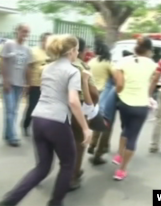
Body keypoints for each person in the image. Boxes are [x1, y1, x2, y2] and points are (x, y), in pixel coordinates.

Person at [0, 34, 92, 206]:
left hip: (39, 120)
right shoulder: (72, 71)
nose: (78, 53)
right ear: (71, 51)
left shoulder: (47, 68)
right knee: (68, 164)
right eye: (77, 49)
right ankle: (55, 203)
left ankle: (8, 202)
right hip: (56, 121)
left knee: (42, 168)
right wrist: (85, 128)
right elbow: (73, 101)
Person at [112, 37, 157, 180]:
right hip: (141, 106)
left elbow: (119, 84)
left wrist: (119, 93)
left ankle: (119, 156)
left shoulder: (123, 61)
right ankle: (121, 170)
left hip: (124, 103)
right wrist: (148, 94)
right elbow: (154, 81)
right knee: (133, 136)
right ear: (149, 50)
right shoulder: (153, 65)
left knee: (125, 129)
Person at [70, 37, 99, 190]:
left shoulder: (56, 64)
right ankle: (72, 177)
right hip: (78, 107)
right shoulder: (83, 67)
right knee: (79, 143)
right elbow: (94, 93)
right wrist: (92, 108)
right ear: (80, 50)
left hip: (57, 109)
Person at [0, 23, 32, 147]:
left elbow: (27, 67)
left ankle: (7, 134)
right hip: (9, 83)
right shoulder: (9, 45)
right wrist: (5, 80)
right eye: (24, 31)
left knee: (14, 110)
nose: (25, 34)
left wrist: (27, 84)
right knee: (10, 110)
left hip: (19, 84)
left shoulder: (27, 49)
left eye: (27, 32)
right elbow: (2, 61)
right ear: (17, 31)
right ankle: (13, 136)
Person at [87, 41, 114, 165]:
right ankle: (100, 151)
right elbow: (115, 77)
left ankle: (92, 143)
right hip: (104, 94)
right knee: (105, 123)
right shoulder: (108, 63)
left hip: (91, 93)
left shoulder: (91, 62)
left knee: (95, 119)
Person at [22, 32, 52, 136]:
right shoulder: (34, 52)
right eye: (47, 40)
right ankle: (26, 125)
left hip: (48, 86)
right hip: (35, 85)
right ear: (42, 41)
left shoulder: (53, 53)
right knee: (33, 107)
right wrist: (27, 83)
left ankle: (40, 129)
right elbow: (28, 68)